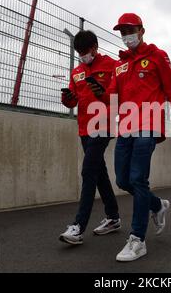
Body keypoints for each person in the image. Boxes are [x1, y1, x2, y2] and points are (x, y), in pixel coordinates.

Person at [89, 13, 171, 262]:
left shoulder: (157, 56)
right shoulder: (120, 65)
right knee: (123, 180)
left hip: (149, 126)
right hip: (126, 128)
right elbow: (112, 97)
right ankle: (157, 205)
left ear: (142, 30)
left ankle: (137, 240)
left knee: (138, 179)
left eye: (130, 30)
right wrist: (97, 93)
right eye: (122, 32)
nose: (126, 36)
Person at [58, 30, 121, 245]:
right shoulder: (76, 71)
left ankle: (78, 226)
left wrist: (103, 92)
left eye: (86, 51)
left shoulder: (112, 65)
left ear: (95, 47)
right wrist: (67, 99)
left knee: (88, 171)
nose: (83, 55)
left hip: (103, 125)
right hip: (84, 128)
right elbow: (73, 102)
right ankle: (113, 217)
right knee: (99, 172)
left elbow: (119, 96)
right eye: (79, 52)